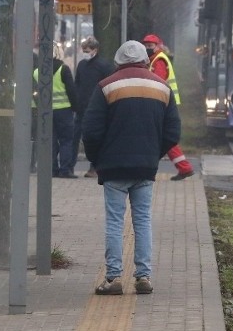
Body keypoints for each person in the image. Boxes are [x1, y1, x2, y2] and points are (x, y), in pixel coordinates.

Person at [82, 40, 181, 296]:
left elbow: (91, 131)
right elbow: (173, 132)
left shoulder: (106, 87)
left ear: (117, 62)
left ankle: (113, 278)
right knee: (143, 220)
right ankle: (143, 276)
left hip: (113, 167)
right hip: (145, 167)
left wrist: (98, 160)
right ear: (146, 61)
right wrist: (153, 155)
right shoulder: (161, 88)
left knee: (115, 222)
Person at [141, 33, 195, 180]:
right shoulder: (154, 59)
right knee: (163, 137)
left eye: (150, 46)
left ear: (158, 46)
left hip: (161, 104)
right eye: (145, 46)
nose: (147, 48)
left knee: (154, 137)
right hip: (162, 103)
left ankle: (146, 169)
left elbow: (158, 82)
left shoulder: (158, 60)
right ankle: (184, 167)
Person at [71, 36, 115, 178]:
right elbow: (77, 85)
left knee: (95, 139)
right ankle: (68, 167)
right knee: (74, 138)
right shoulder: (82, 65)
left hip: (97, 109)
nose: (85, 53)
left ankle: (95, 167)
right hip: (82, 108)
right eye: (83, 50)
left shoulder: (104, 66)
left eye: (87, 50)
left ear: (95, 50)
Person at [34, 43, 79, 178]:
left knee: (51, 141)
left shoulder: (37, 72)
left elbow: (35, 92)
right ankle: (65, 170)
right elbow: (71, 91)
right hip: (64, 111)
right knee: (66, 140)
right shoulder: (63, 70)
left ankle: (52, 169)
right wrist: (76, 107)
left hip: (46, 112)